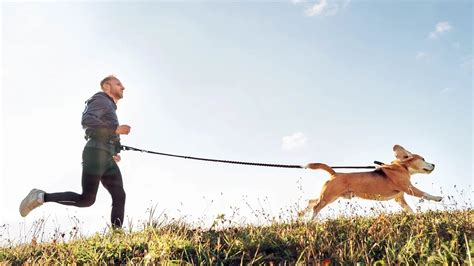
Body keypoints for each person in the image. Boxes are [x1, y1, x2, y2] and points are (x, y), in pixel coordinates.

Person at [19, 75, 131, 228]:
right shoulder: (101, 99)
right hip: (95, 153)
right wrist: (115, 129)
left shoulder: (109, 106)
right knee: (87, 199)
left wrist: (113, 150)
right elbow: (87, 120)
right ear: (106, 86)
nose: (122, 87)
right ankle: (40, 197)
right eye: (118, 84)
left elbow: (102, 132)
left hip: (105, 155)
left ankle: (117, 235)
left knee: (119, 195)